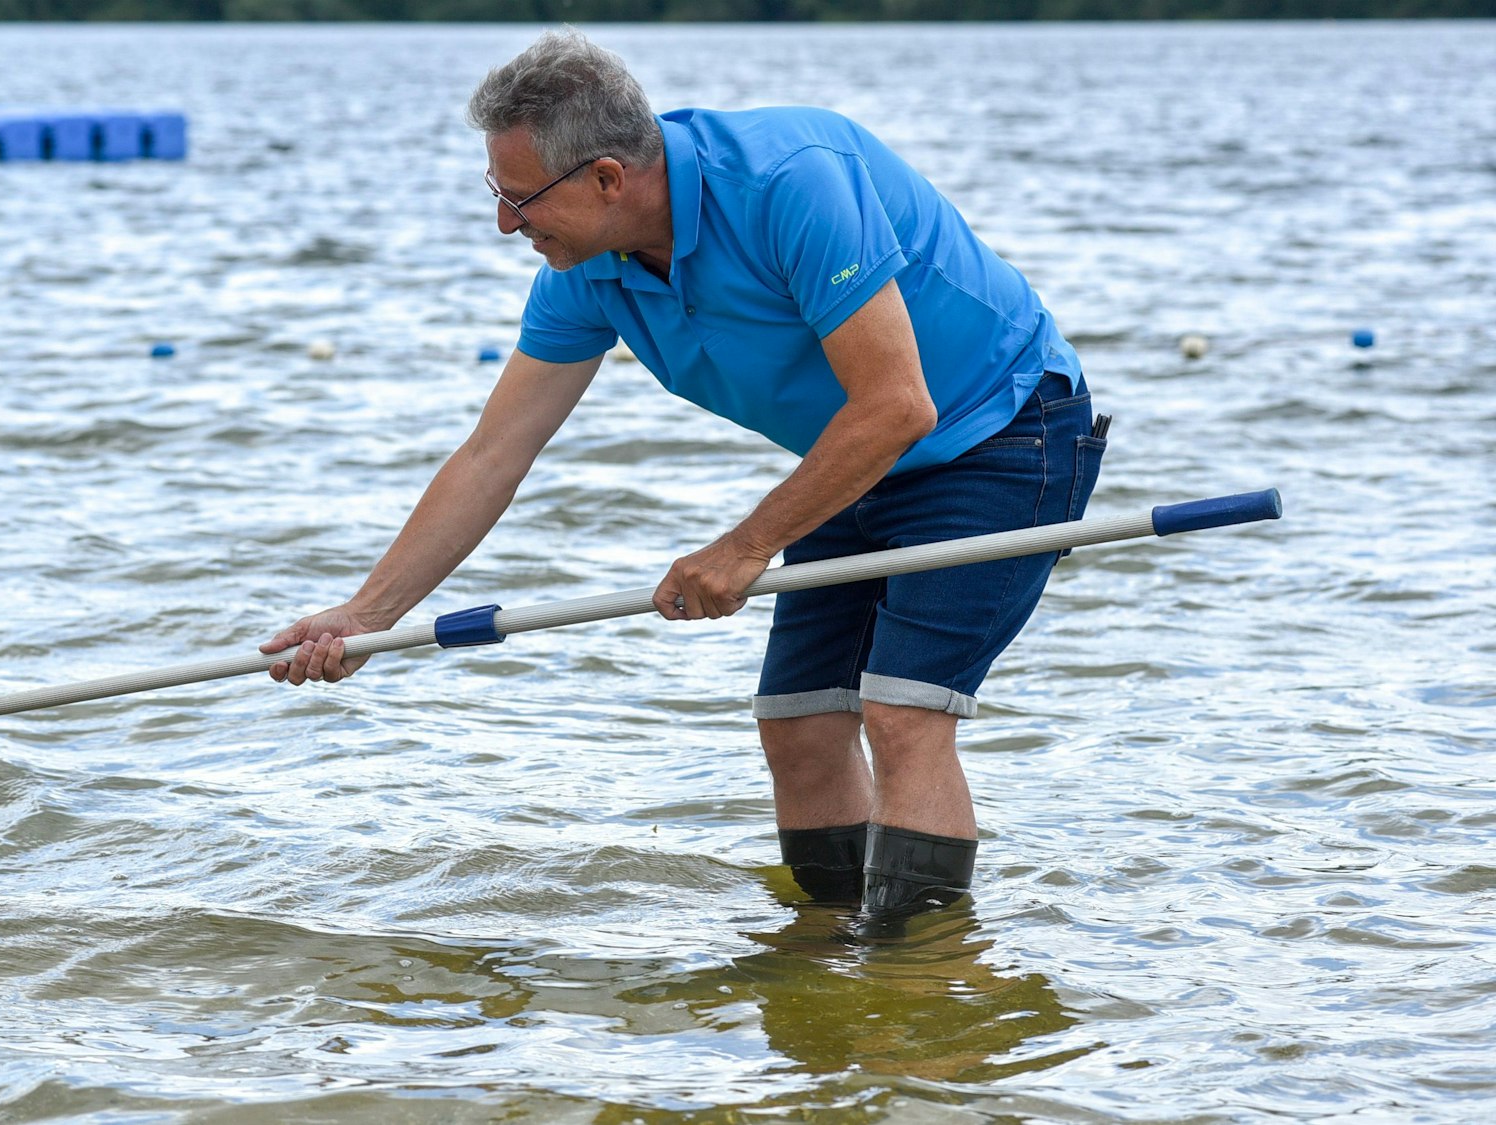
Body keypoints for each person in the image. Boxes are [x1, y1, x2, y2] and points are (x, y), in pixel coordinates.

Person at [260, 28, 1106, 931]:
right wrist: (369, 611)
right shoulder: (585, 269)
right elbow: (492, 455)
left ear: (608, 179)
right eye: (496, 196)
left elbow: (899, 405)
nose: (507, 225)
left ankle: (918, 973)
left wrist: (743, 548)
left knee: (901, 712)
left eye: (520, 200)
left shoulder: (793, 182)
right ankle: (825, 961)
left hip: (1002, 426)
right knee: (799, 719)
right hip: (860, 455)